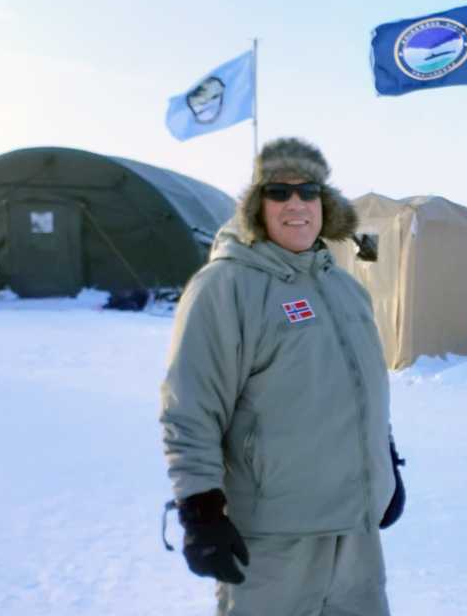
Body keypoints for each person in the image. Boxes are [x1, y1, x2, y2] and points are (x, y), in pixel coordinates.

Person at [160, 137, 403, 616]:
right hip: (275, 536)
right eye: (279, 193)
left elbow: (361, 388)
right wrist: (200, 509)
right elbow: (191, 407)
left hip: (356, 531)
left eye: (308, 191)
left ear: (325, 205)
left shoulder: (344, 287)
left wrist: (387, 463)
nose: (296, 204)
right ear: (256, 207)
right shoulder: (225, 287)